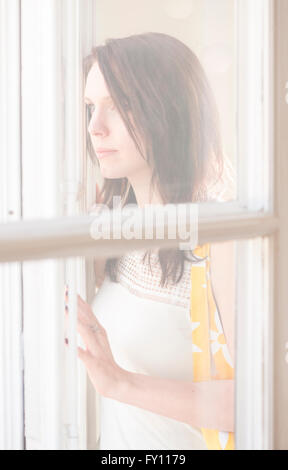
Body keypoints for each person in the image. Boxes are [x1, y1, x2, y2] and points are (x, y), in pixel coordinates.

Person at [66, 32, 236, 450]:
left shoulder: (222, 234)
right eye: (90, 108)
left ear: (167, 111)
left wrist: (121, 383)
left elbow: (257, 401)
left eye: (117, 107)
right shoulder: (118, 227)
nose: (94, 127)